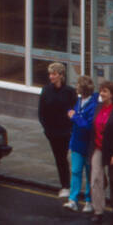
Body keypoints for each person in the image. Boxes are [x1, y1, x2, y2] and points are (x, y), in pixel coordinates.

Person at [89, 78, 113, 225]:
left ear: (112, 94)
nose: (101, 93)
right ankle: (98, 211)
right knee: (96, 179)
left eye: (105, 91)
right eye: (101, 90)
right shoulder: (98, 107)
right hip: (98, 148)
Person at [38, 62, 76, 198]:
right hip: (52, 132)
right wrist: (46, 129)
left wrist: (71, 129)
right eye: (50, 74)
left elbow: (74, 112)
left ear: (61, 75)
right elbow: (41, 112)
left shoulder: (70, 92)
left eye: (53, 74)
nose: (51, 77)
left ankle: (69, 185)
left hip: (66, 132)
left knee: (65, 158)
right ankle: (65, 186)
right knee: (59, 158)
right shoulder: (46, 90)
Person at [66, 75, 97, 211]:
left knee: (90, 174)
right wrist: (71, 113)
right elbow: (73, 112)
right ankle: (73, 200)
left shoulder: (94, 104)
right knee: (76, 171)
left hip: (89, 146)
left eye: (78, 85)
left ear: (83, 88)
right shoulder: (79, 100)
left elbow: (89, 125)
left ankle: (89, 201)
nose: (76, 87)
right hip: (77, 144)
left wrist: (75, 117)